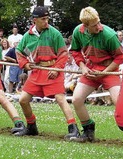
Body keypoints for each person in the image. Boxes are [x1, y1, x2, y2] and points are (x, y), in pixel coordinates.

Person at [14, 6, 77, 138]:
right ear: (34, 20)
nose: (46, 21)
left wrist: (56, 69)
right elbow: (19, 51)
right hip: (37, 72)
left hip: (52, 71)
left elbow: (63, 53)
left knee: (61, 99)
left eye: (47, 18)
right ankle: (31, 127)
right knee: (23, 100)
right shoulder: (27, 36)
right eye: (43, 19)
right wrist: (25, 64)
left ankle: (73, 129)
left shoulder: (54, 33)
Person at [68, 6, 123, 142]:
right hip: (91, 70)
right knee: (76, 99)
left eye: (99, 22)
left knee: (120, 102)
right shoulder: (78, 32)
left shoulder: (109, 35)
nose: (99, 27)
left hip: (109, 71)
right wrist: (82, 67)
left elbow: (120, 57)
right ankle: (88, 132)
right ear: (85, 25)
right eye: (94, 25)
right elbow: (75, 51)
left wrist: (105, 72)